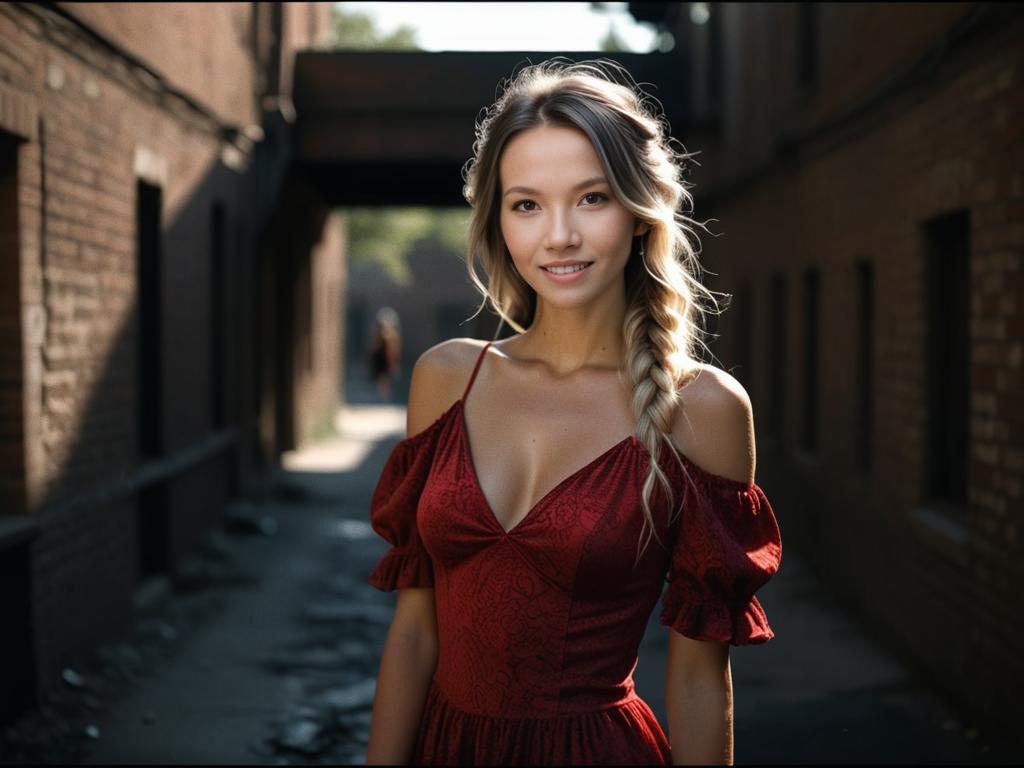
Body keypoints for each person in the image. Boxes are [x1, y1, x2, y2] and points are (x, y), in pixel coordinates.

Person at [365, 59, 782, 766]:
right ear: (498, 221)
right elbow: (413, 634)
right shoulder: (446, 378)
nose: (558, 235)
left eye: (591, 198)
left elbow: (699, 678)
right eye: (526, 204)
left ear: (640, 208)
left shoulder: (701, 409)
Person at [368, 307, 401, 401]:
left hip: (382, 359)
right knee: (383, 378)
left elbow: (390, 350)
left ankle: (383, 396)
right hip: (382, 359)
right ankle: (383, 396)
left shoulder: (383, 335)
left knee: (383, 378)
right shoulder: (388, 335)